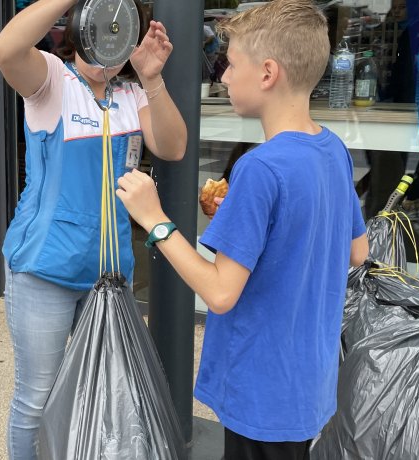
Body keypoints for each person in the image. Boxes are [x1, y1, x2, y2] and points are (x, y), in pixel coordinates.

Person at [114, 0, 370, 458]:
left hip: (261, 388)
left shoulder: (260, 168)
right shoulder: (333, 150)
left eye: (231, 65)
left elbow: (220, 292)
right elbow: (357, 251)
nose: (224, 77)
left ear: (268, 73)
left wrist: (154, 219)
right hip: (308, 381)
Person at [0, 0, 187, 457]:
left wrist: (153, 79)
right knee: (37, 397)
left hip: (108, 273)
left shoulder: (130, 94)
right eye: (106, 23)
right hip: (45, 268)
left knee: (92, 393)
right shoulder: (53, 81)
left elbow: (172, 147)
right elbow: (5, 48)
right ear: (84, 25)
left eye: (126, 30)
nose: (115, 42)